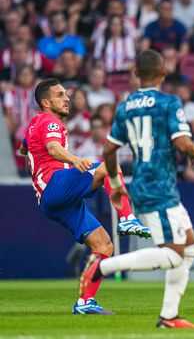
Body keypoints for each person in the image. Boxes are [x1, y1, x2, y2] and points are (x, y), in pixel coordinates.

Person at [79, 49, 194, 329]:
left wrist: (115, 184)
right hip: (158, 187)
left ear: (135, 74)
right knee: (174, 254)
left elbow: (110, 149)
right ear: (163, 73)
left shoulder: (125, 106)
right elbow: (182, 141)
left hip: (143, 184)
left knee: (189, 248)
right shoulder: (168, 102)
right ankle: (102, 267)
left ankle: (169, 317)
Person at [20, 78, 150, 314]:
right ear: (46, 102)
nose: (66, 98)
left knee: (104, 246)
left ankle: (85, 302)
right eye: (60, 95)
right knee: (109, 167)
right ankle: (127, 217)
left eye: (65, 94)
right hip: (55, 185)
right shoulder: (50, 121)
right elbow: (52, 148)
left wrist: (33, 158)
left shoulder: (34, 123)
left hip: (52, 201)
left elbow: (24, 148)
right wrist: (75, 159)